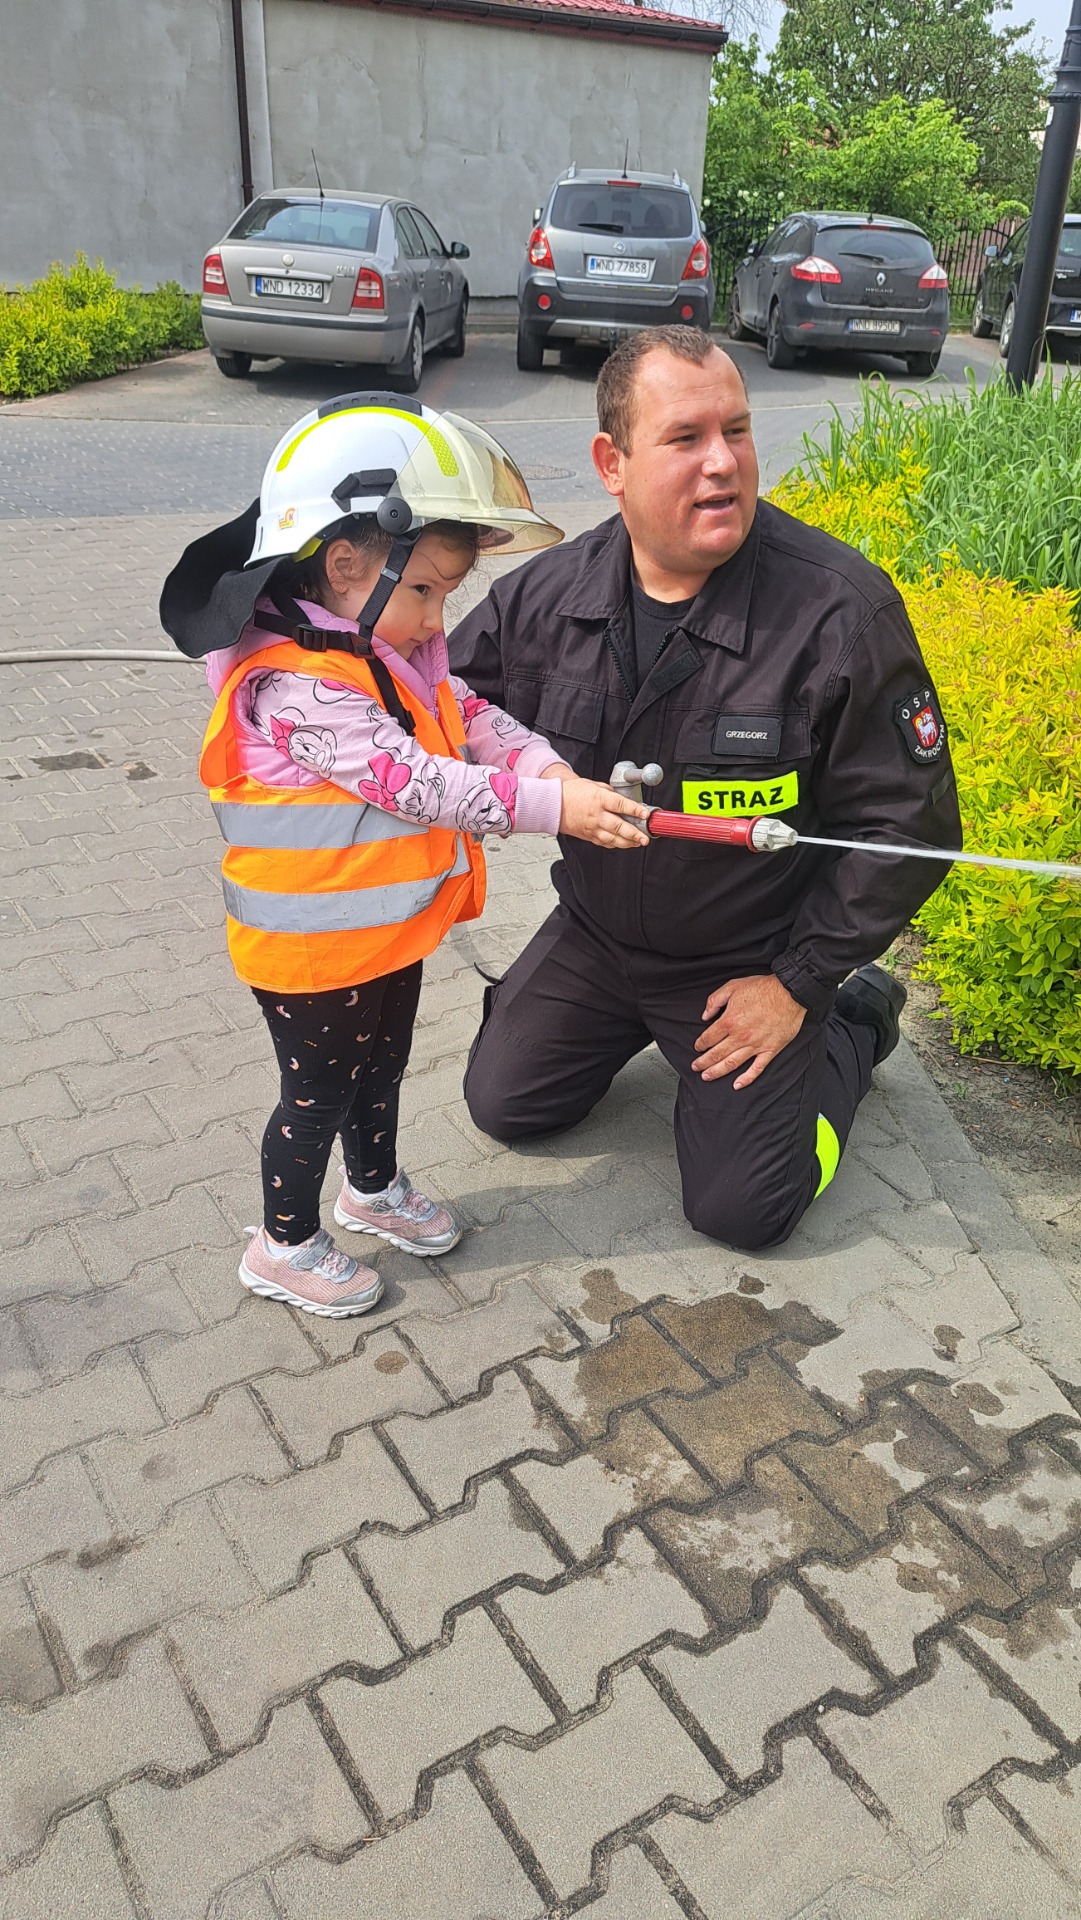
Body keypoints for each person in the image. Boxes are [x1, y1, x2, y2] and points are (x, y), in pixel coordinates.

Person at [450, 326, 963, 1251]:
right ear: (612, 463)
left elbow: (909, 823)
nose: (722, 462)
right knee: (504, 1104)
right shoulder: (543, 600)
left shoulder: (836, 611)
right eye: (685, 438)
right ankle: (638, 1027)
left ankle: (850, 1027)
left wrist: (799, 983)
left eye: (736, 430)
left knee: (743, 1212)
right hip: (598, 932)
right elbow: (436, 709)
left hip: (748, 955)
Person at [160, 395, 649, 1317]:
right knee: (315, 1094)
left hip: (382, 934)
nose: (435, 619)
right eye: (423, 591)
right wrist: (558, 810)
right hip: (311, 954)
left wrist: (548, 767)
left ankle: (372, 1190)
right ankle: (283, 1244)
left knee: (378, 1069)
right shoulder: (296, 691)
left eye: (444, 596)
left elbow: (468, 716)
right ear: (346, 564)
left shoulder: (381, 653)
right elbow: (416, 783)